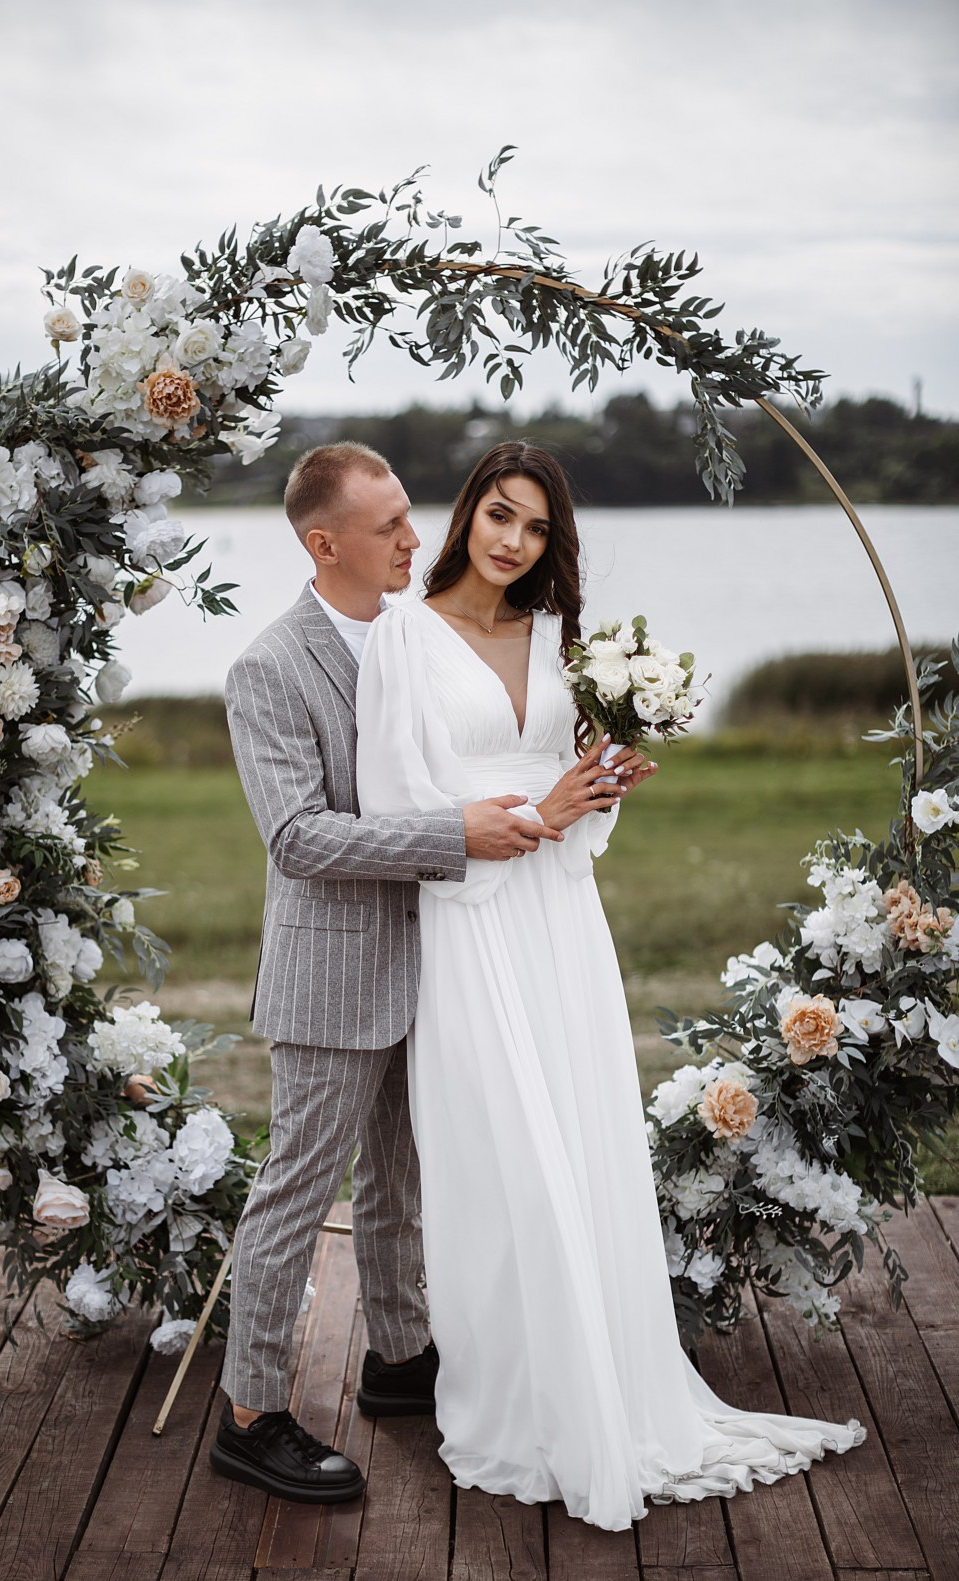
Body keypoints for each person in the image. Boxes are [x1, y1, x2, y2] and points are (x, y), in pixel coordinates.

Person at [354, 441, 867, 1531]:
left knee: (583, 1140)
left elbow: (580, 788)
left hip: (559, 919)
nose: (513, 541)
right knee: (503, 1156)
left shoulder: (555, 636)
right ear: (465, 515)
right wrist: (534, 812)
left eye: (537, 529)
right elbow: (395, 793)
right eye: (500, 514)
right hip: (472, 918)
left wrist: (606, 781)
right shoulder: (399, 636)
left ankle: (613, 1385)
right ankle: (520, 1399)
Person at [210, 442, 641, 1504]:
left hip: (449, 949)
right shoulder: (271, 667)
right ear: (326, 545)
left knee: (401, 1179)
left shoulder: (412, 633)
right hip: (337, 969)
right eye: (389, 525)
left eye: (412, 514)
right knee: (297, 1192)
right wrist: (456, 834)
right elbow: (300, 840)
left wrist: (572, 781)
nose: (417, 536)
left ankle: (400, 1361)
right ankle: (252, 1412)